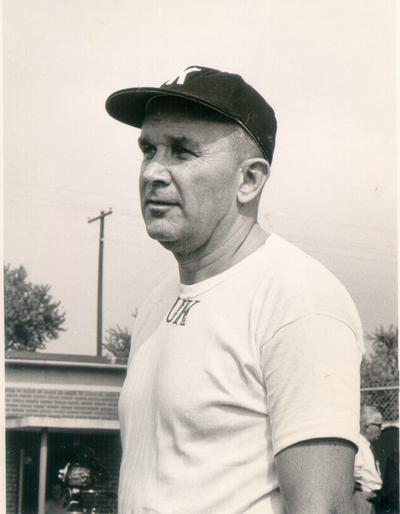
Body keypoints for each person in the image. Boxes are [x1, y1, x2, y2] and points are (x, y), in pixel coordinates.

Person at [106, 66, 364, 514]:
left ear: (249, 180)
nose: (153, 173)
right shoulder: (156, 304)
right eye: (149, 149)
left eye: (182, 152)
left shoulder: (298, 299)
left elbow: (323, 508)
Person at [354, 405, 384, 514]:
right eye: (378, 425)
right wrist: (359, 492)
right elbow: (350, 472)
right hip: (364, 498)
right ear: (366, 426)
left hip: (374, 497)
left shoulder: (367, 446)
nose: (382, 428)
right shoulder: (357, 446)